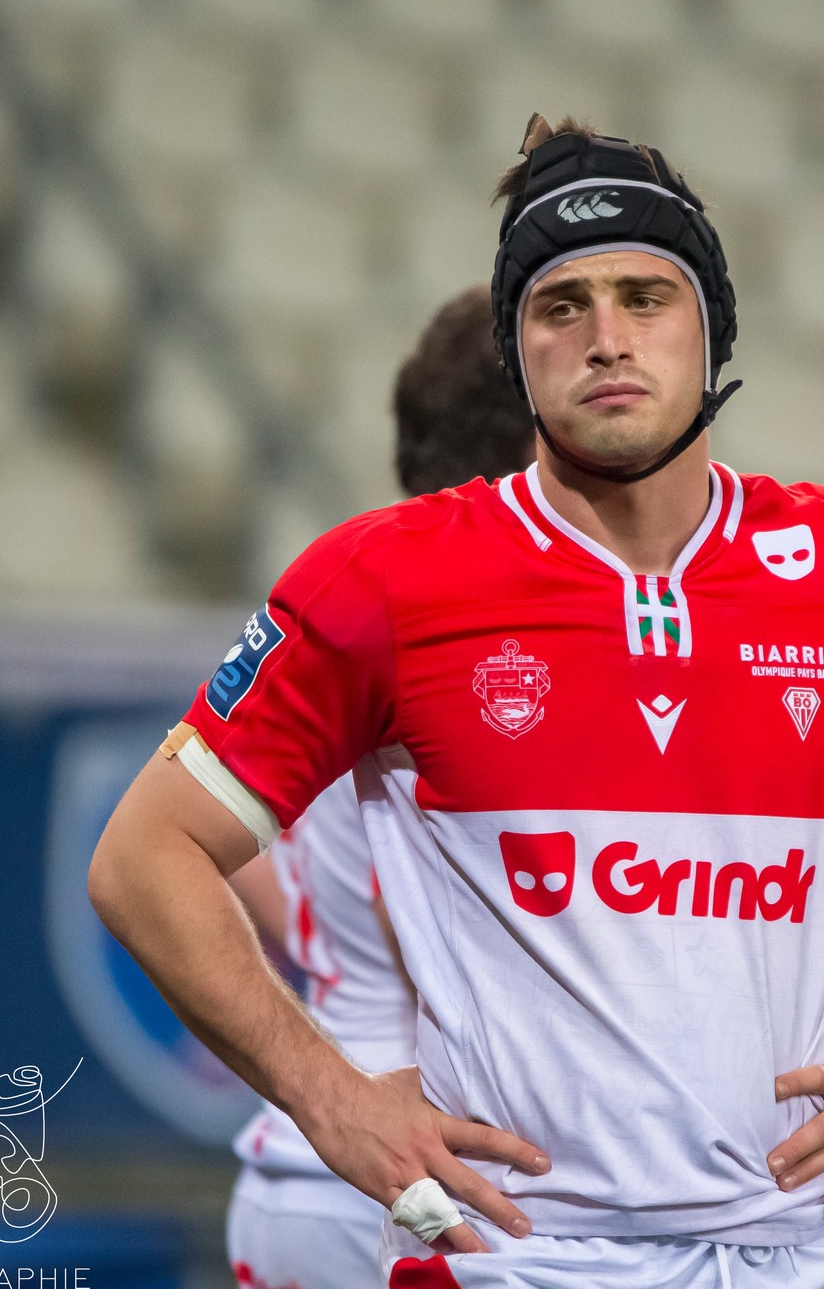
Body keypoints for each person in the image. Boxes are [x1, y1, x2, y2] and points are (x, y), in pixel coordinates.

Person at [91, 117, 824, 1288]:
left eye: (644, 297)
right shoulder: (384, 579)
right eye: (560, 307)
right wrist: (330, 1100)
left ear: (709, 328)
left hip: (788, 1258)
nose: (606, 339)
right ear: (516, 355)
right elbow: (143, 857)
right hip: (509, 1257)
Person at [222, 287, 535, 1289]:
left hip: (294, 1164)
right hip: (413, 1175)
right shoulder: (491, 642)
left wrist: (325, 950)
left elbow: (215, 852)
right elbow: (458, 931)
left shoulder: (349, 610)